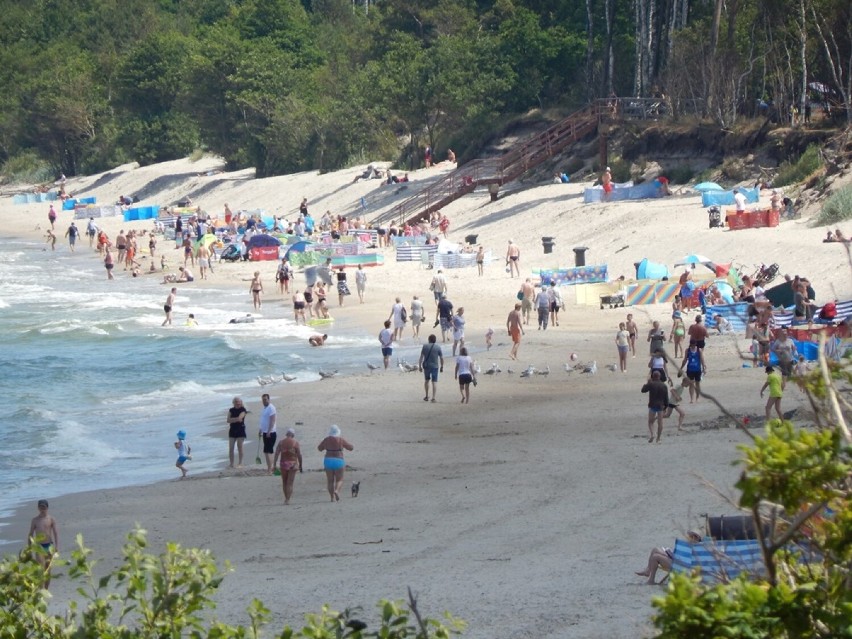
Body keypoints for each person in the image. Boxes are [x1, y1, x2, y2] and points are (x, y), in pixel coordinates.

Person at [635, 531, 702, 584]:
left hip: (680, 567)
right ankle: (648, 571)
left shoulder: (694, 548)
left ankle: (651, 580)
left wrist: (671, 555)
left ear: (694, 537)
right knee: (655, 549)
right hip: (677, 561)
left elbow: (685, 562)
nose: (688, 538)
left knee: (655, 557)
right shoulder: (694, 547)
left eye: (690, 536)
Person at [28, 499, 59, 588]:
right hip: (39, 547)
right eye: (41, 507)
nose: (42, 509)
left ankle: (46, 589)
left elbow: (56, 533)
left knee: (48, 570)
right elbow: (30, 534)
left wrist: (56, 546)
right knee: (40, 570)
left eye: (44, 507)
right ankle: (41, 590)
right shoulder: (35, 520)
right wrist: (29, 548)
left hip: (49, 546)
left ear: (47, 508)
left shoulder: (51, 519)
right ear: (38, 508)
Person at [318, 425, 353, 502]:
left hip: (328, 460)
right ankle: (336, 491)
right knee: (339, 479)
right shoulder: (340, 440)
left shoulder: (326, 440)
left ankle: (332, 498)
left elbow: (319, 448)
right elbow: (351, 448)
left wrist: (327, 447)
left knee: (330, 480)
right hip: (338, 460)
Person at [273, 428, 303, 504]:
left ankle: (286, 498)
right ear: (293, 435)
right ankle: (288, 500)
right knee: (290, 483)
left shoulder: (281, 442)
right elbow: (299, 455)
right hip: (293, 464)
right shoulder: (295, 443)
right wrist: (301, 465)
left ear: (286, 434)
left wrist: (274, 464)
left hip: (283, 463)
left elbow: (276, 453)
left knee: (284, 482)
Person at [641, 371, 669, 443]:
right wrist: (666, 407)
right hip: (661, 406)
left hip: (652, 405)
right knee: (660, 423)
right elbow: (666, 398)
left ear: (653, 377)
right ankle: (658, 438)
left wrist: (647, 383)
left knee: (650, 422)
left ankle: (653, 434)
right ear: (659, 377)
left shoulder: (651, 384)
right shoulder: (664, 385)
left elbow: (643, 390)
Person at [418, 334, 444, 402]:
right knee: (434, 382)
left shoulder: (425, 346)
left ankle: (426, 396)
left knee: (427, 380)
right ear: (435, 340)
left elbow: (421, 357)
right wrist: (442, 366)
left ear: (429, 340)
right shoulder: (438, 347)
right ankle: (433, 397)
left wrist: (420, 366)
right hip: (435, 366)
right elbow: (441, 358)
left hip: (426, 366)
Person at [258, 393, 277, 474]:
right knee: (268, 451)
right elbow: (263, 420)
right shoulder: (264, 408)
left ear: (269, 399)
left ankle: (270, 469)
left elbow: (273, 420)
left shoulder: (271, 408)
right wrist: (261, 430)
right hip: (265, 432)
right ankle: (271, 468)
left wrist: (269, 431)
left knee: (268, 451)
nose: (264, 401)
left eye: (265, 399)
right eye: (263, 399)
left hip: (270, 433)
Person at [226, 397, 247, 468]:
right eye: (236, 402)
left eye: (239, 402)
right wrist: (236, 419)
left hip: (240, 429)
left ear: (241, 402)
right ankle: (231, 463)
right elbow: (228, 420)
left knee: (239, 447)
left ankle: (240, 463)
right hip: (232, 430)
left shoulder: (243, 410)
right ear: (233, 403)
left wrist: (233, 419)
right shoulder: (231, 410)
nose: (238, 403)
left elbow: (240, 418)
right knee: (231, 448)